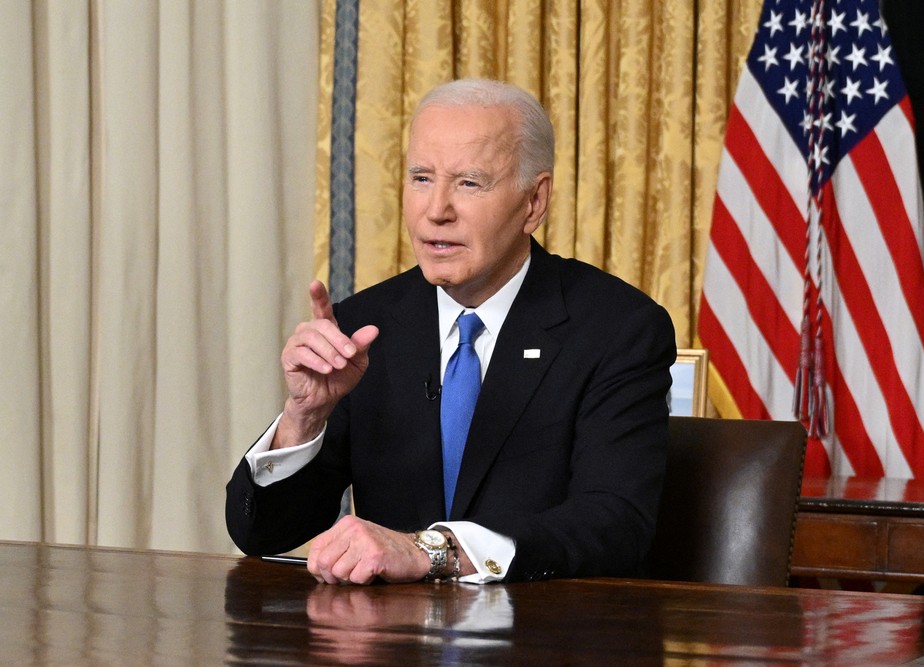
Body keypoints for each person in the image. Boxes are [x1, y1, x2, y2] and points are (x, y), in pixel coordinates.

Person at [225, 78, 676, 585]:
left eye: (469, 183)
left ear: (534, 201)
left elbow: (615, 526)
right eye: (421, 178)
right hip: (391, 643)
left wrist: (435, 551)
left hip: (541, 636)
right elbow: (261, 534)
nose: (436, 210)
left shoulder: (617, 329)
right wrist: (303, 418)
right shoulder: (363, 327)